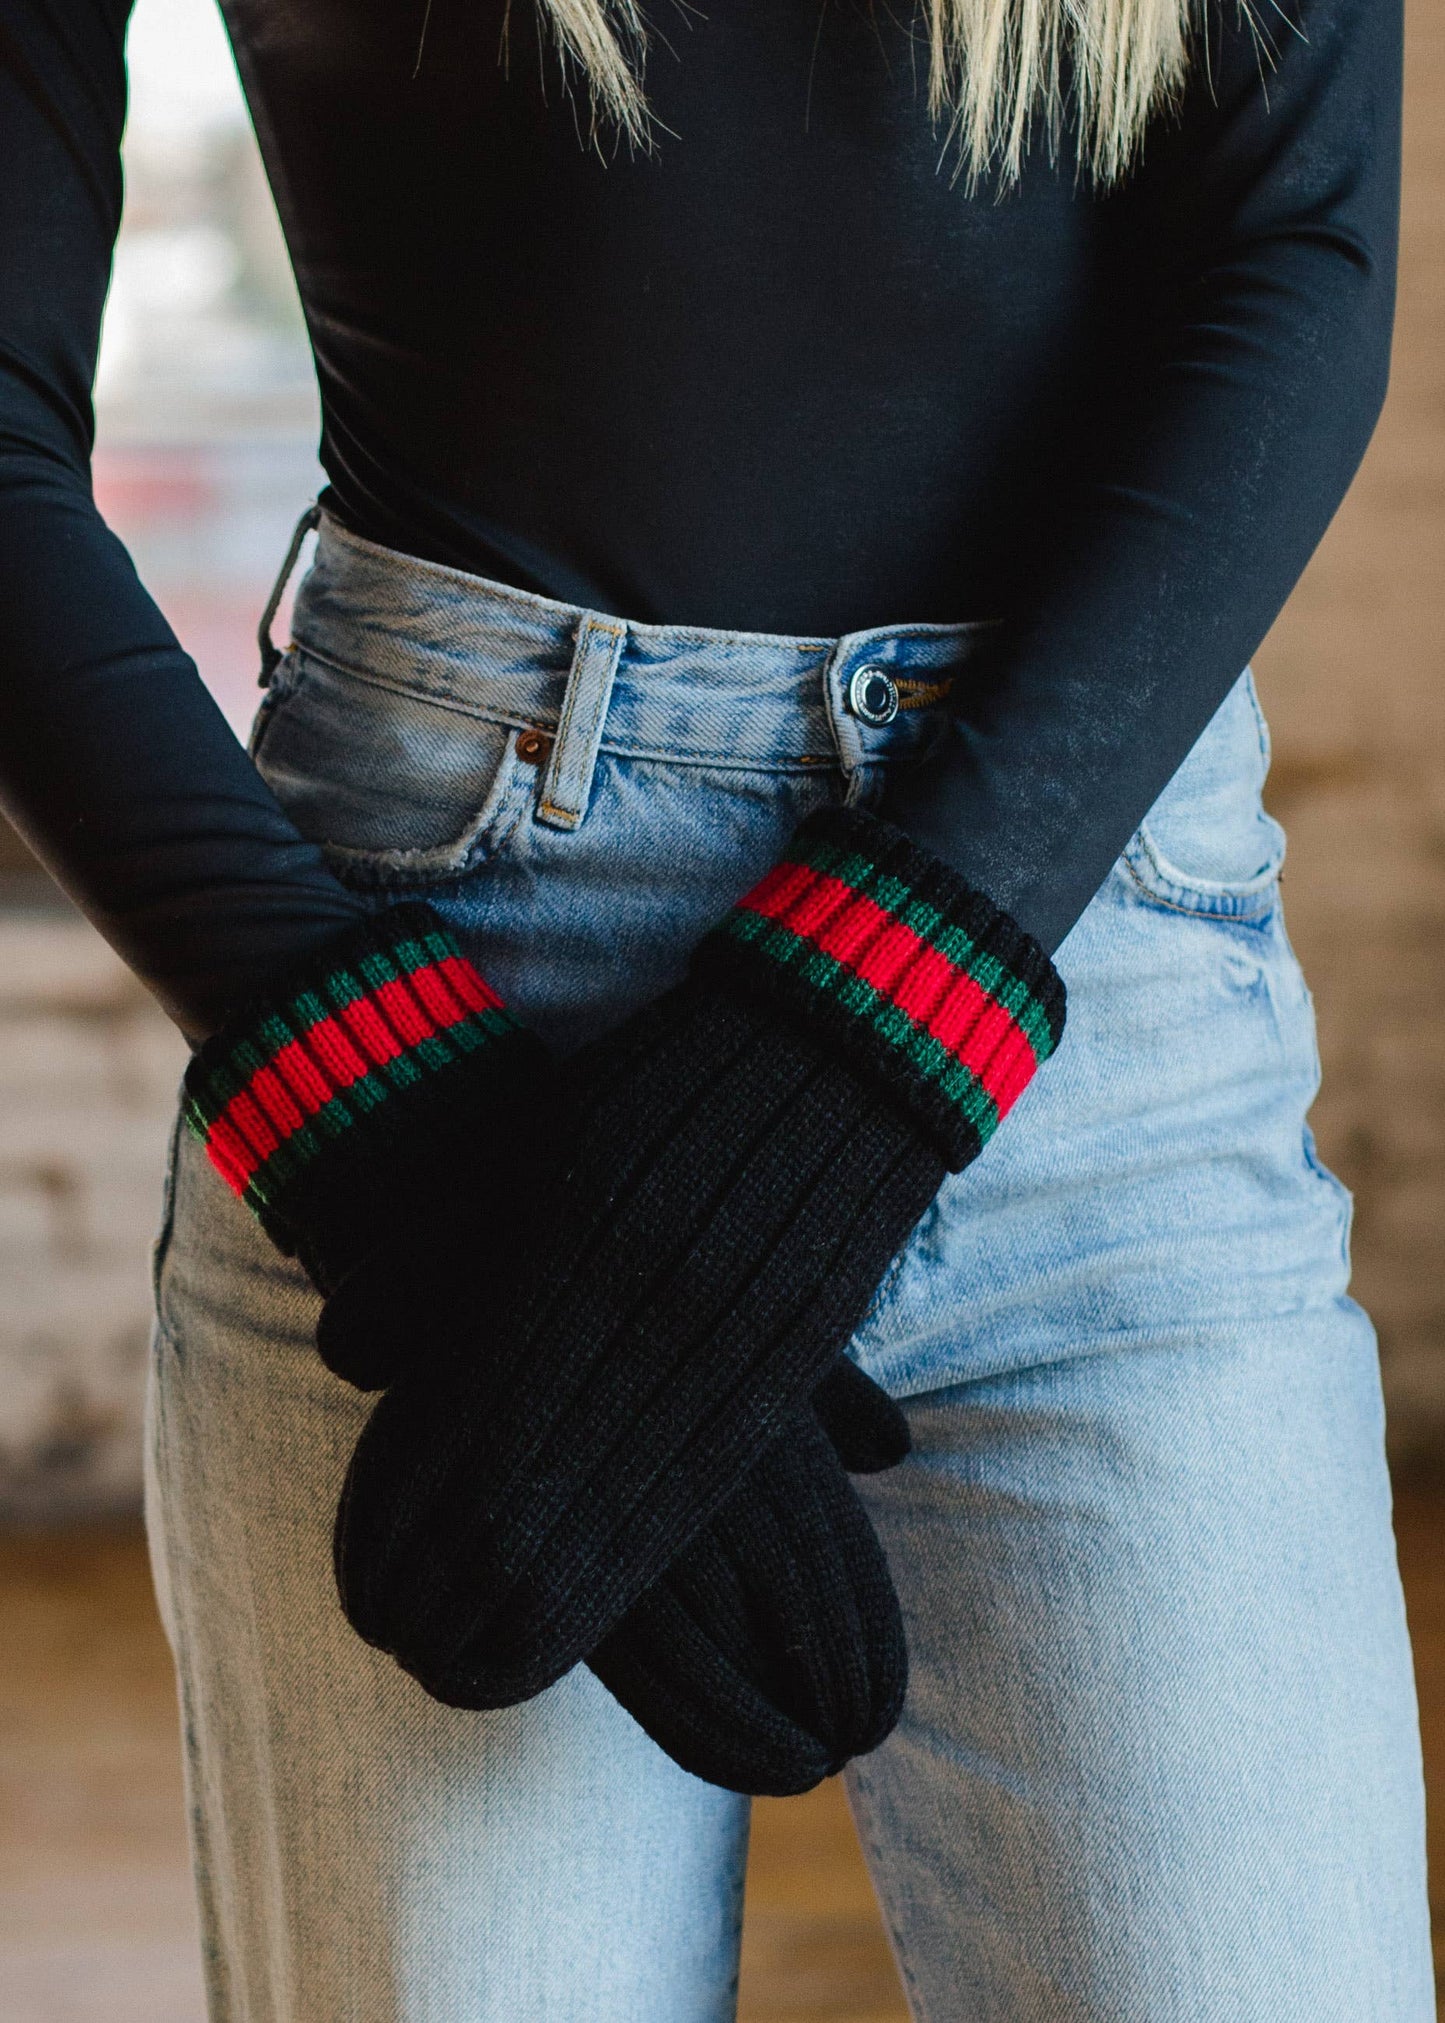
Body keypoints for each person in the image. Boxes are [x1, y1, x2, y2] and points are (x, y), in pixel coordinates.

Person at [0, 0, 1430, 2013]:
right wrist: (412, 1156)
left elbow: (1300, 253)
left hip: (1089, 989)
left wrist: (850, 1062)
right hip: (425, 994)